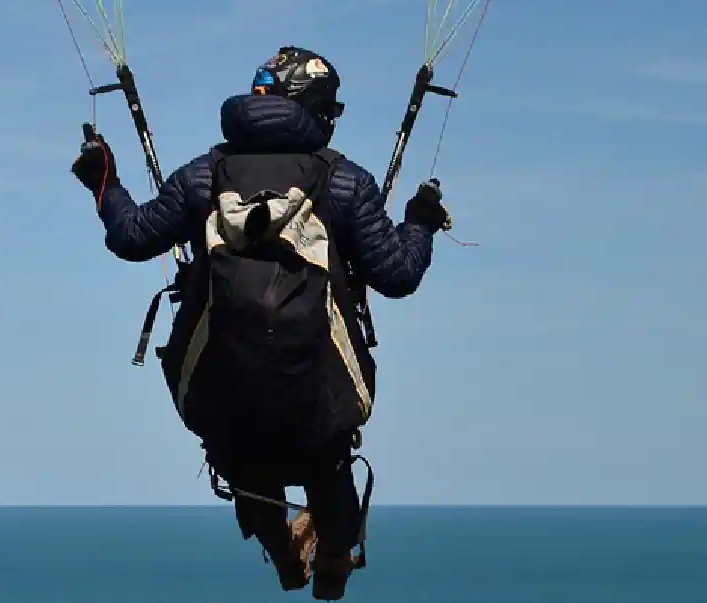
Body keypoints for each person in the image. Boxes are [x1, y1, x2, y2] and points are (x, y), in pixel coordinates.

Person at [70, 46, 452, 600]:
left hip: (223, 397)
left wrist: (104, 182)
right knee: (325, 448)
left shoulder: (204, 176)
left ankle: (283, 550)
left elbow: (131, 237)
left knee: (240, 445)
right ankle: (335, 557)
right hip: (320, 397)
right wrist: (420, 222)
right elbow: (397, 275)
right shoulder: (344, 182)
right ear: (316, 111)